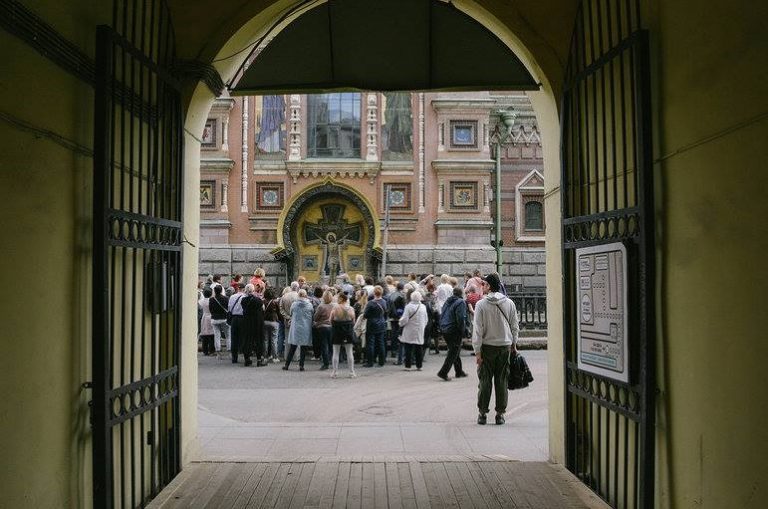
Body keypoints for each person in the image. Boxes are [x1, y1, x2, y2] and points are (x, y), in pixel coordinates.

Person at [472, 273, 519, 425]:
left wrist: (477, 351)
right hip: (505, 346)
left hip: (487, 347)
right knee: (502, 380)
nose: (482, 286)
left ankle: (482, 413)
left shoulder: (481, 305)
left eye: (484, 284)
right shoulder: (509, 303)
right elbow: (514, 326)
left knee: (485, 381)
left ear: (489, 286)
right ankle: (500, 414)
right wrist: (514, 344)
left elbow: (477, 330)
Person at [437, 287, 469, 380]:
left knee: (455, 350)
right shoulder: (461, 302)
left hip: (445, 328)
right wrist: (463, 330)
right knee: (453, 352)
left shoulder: (448, 301)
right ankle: (443, 372)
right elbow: (461, 318)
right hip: (454, 330)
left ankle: (459, 371)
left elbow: (442, 313)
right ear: (461, 294)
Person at [283, 289, 313, 371]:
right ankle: (301, 365)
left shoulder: (294, 304)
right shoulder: (309, 305)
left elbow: (291, 313)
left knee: (293, 347)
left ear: (298, 295)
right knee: (303, 347)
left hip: (296, 327)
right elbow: (312, 313)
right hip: (305, 327)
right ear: (305, 295)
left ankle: (287, 365)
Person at [398, 291, 428, 371]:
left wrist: (400, 323)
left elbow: (405, 319)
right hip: (419, 329)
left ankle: (408, 366)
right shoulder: (423, 307)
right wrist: (423, 326)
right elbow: (426, 319)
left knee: (408, 348)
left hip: (409, 329)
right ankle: (419, 366)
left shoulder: (408, 306)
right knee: (419, 348)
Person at [330, 292, 357, 379]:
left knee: (336, 351)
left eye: (338, 298)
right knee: (349, 352)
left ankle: (334, 372)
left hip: (337, 330)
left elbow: (331, 319)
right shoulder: (351, 309)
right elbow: (353, 321)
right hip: (348, 330)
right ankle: (351, 372)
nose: (337, 299)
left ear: (341, 299)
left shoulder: (335, 308)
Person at [362, 285, 388, 367]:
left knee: (370, 343)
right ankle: (381, 361)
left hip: (372, 324)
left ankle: (370, 362)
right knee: (381, 343)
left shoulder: (370, 303)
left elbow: (365, 315)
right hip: (381, 323)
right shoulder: (384, 302)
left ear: (374, 293)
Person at [241, 283, 266, 367]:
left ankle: (247, 359)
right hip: (257, 323)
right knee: (258, 340)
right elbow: (263, 309)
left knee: (247, 340)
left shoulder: (243, 300)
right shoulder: (258, 300)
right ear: (253, 290)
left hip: (247, 322)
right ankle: (259, 359)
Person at [313, 290, 334, 370]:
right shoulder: (334, 306)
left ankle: (326, 364)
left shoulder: (321, 306)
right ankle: (333, 360)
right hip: (331, 326)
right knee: (331, 345)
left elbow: (315, 317)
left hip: (322, 327)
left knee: (324, 345)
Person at [228, 283, 247, 364]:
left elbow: (229, 308)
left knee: (234, 338)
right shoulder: (245, 297)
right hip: (242, 318)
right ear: (244, 289)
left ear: (237, 289)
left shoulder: (232, 297)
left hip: (234, 318)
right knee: (243, 337)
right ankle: (244, 354)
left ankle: (234, 358)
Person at [209, 285, 230, 353]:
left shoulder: (211, 299)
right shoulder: (226, 298)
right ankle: (229, 350)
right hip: (224, 319)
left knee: (217, 336)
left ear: (214, 291)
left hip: (215, 319)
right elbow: (228, 308)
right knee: (228, 335)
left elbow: (210, 310)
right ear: (221, 291)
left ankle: (218, 352)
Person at [263, 287, 281, 363]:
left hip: (265, 321)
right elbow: (278, 312)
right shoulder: (275, 302)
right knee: (274, 340)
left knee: (265, 340)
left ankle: (265, 356)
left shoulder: (263, 301)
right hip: (274, 321)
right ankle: (275, 357)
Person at [198, 287, 215, 355]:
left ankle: (205, 350)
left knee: (204, 333)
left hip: (204, 316)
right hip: (211, 316)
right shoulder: (212, 300)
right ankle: (211, 349)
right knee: (211, 334)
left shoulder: (201, 301)